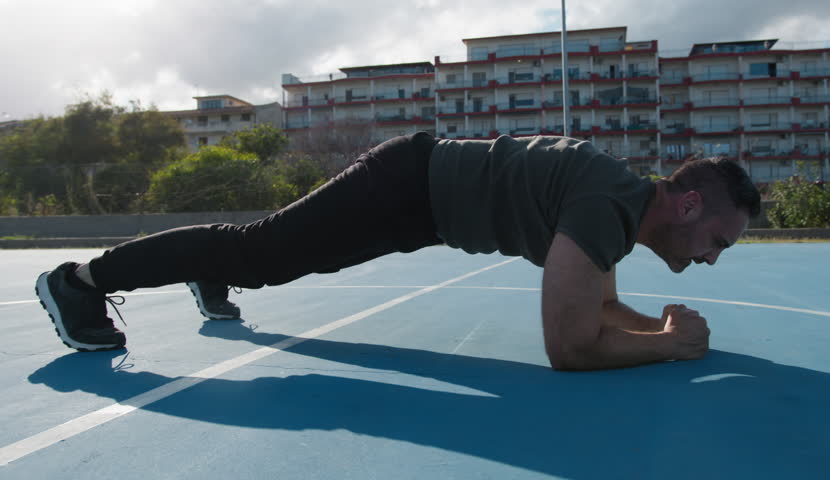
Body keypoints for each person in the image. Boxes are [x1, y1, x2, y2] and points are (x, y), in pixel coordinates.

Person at [35, 132, 761, 370]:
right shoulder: (610, 205)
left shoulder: (618, 207)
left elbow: (599, 309)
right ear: (690, 204)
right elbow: (571, 348)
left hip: (419, 207)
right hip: (405, 187)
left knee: (268, 257)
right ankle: (79, 279)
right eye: (717, 242)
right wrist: (670, 344)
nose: (712, 257)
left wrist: (668, 334)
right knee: (258, 253)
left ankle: (205, 268)